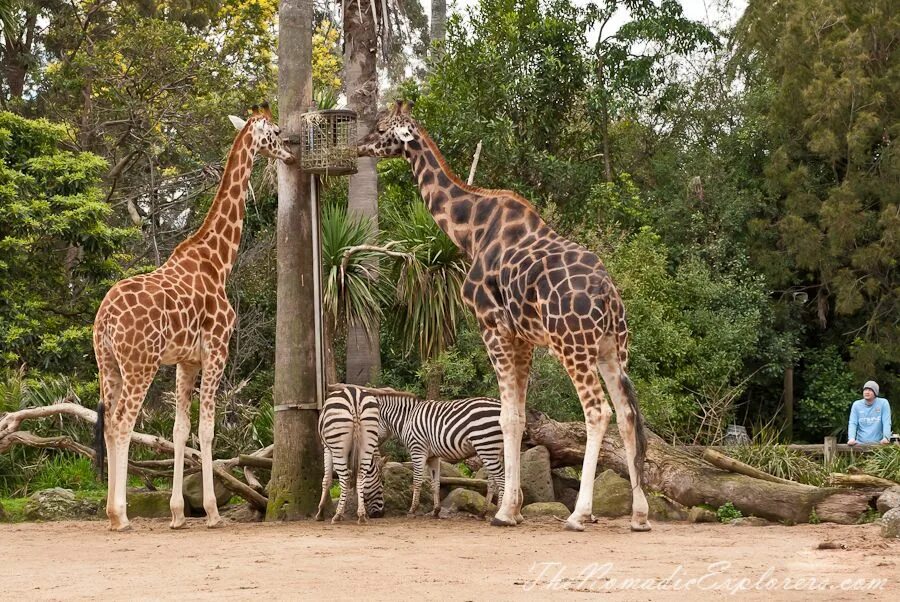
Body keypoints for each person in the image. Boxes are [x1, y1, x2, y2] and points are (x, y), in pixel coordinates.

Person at [847, 381, 891, 446]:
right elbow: (853, 423)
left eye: (870, 390)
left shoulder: (883, 403)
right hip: (859, 445)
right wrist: (851, 438)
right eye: (865, 390)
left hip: (879, 445)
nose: (867, 392)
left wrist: (886, 437)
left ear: (875, 392)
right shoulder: (856, 405)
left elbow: (886, 422)